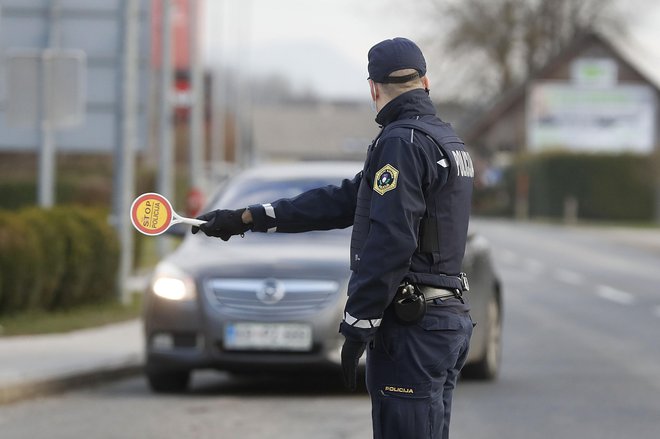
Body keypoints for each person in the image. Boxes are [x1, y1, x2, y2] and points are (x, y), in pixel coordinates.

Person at [193, 37, 475, 439]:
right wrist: (247, 217)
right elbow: (346, 200)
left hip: (413, 330)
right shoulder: (444, 140)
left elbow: (392, 238)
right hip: (444, 322)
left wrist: (359, 318)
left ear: (373, 88)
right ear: (425, 82)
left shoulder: (401, 142)